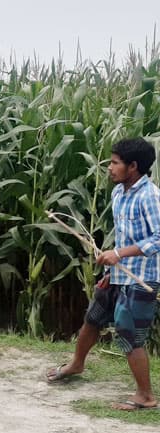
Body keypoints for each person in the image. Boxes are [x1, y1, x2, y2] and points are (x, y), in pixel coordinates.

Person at [47, 137, 160, 411]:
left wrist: (119, 255)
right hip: (119, 274)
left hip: (142, 277)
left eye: (115, 163)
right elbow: (124, 236)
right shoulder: (118, 193)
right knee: (93, 317)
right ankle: (77, 364)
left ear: (133, 166)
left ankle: (145, 396)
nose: (109, 167)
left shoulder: (150, 197)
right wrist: (112, 268)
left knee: (128, 333)